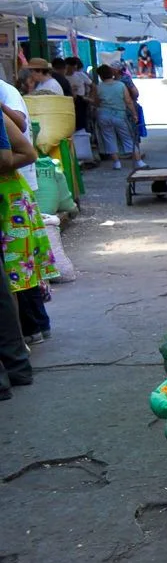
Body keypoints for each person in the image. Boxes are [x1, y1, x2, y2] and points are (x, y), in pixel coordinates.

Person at [0, 101, 52, 381]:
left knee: (12, 279)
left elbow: (25, 153)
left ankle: (17, 351)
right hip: (9, 198)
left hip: (9, 203)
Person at [94, 65, 142, 170]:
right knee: (128, 137)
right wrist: (134, 114)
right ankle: (139, 161)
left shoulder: (98, 87)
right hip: (119, 115)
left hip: (103, 115)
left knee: (109, 138)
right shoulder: (121, 85)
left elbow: (96, 102)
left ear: (101, 76)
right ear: (112, 73)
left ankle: (116, 163)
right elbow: (128, 101)